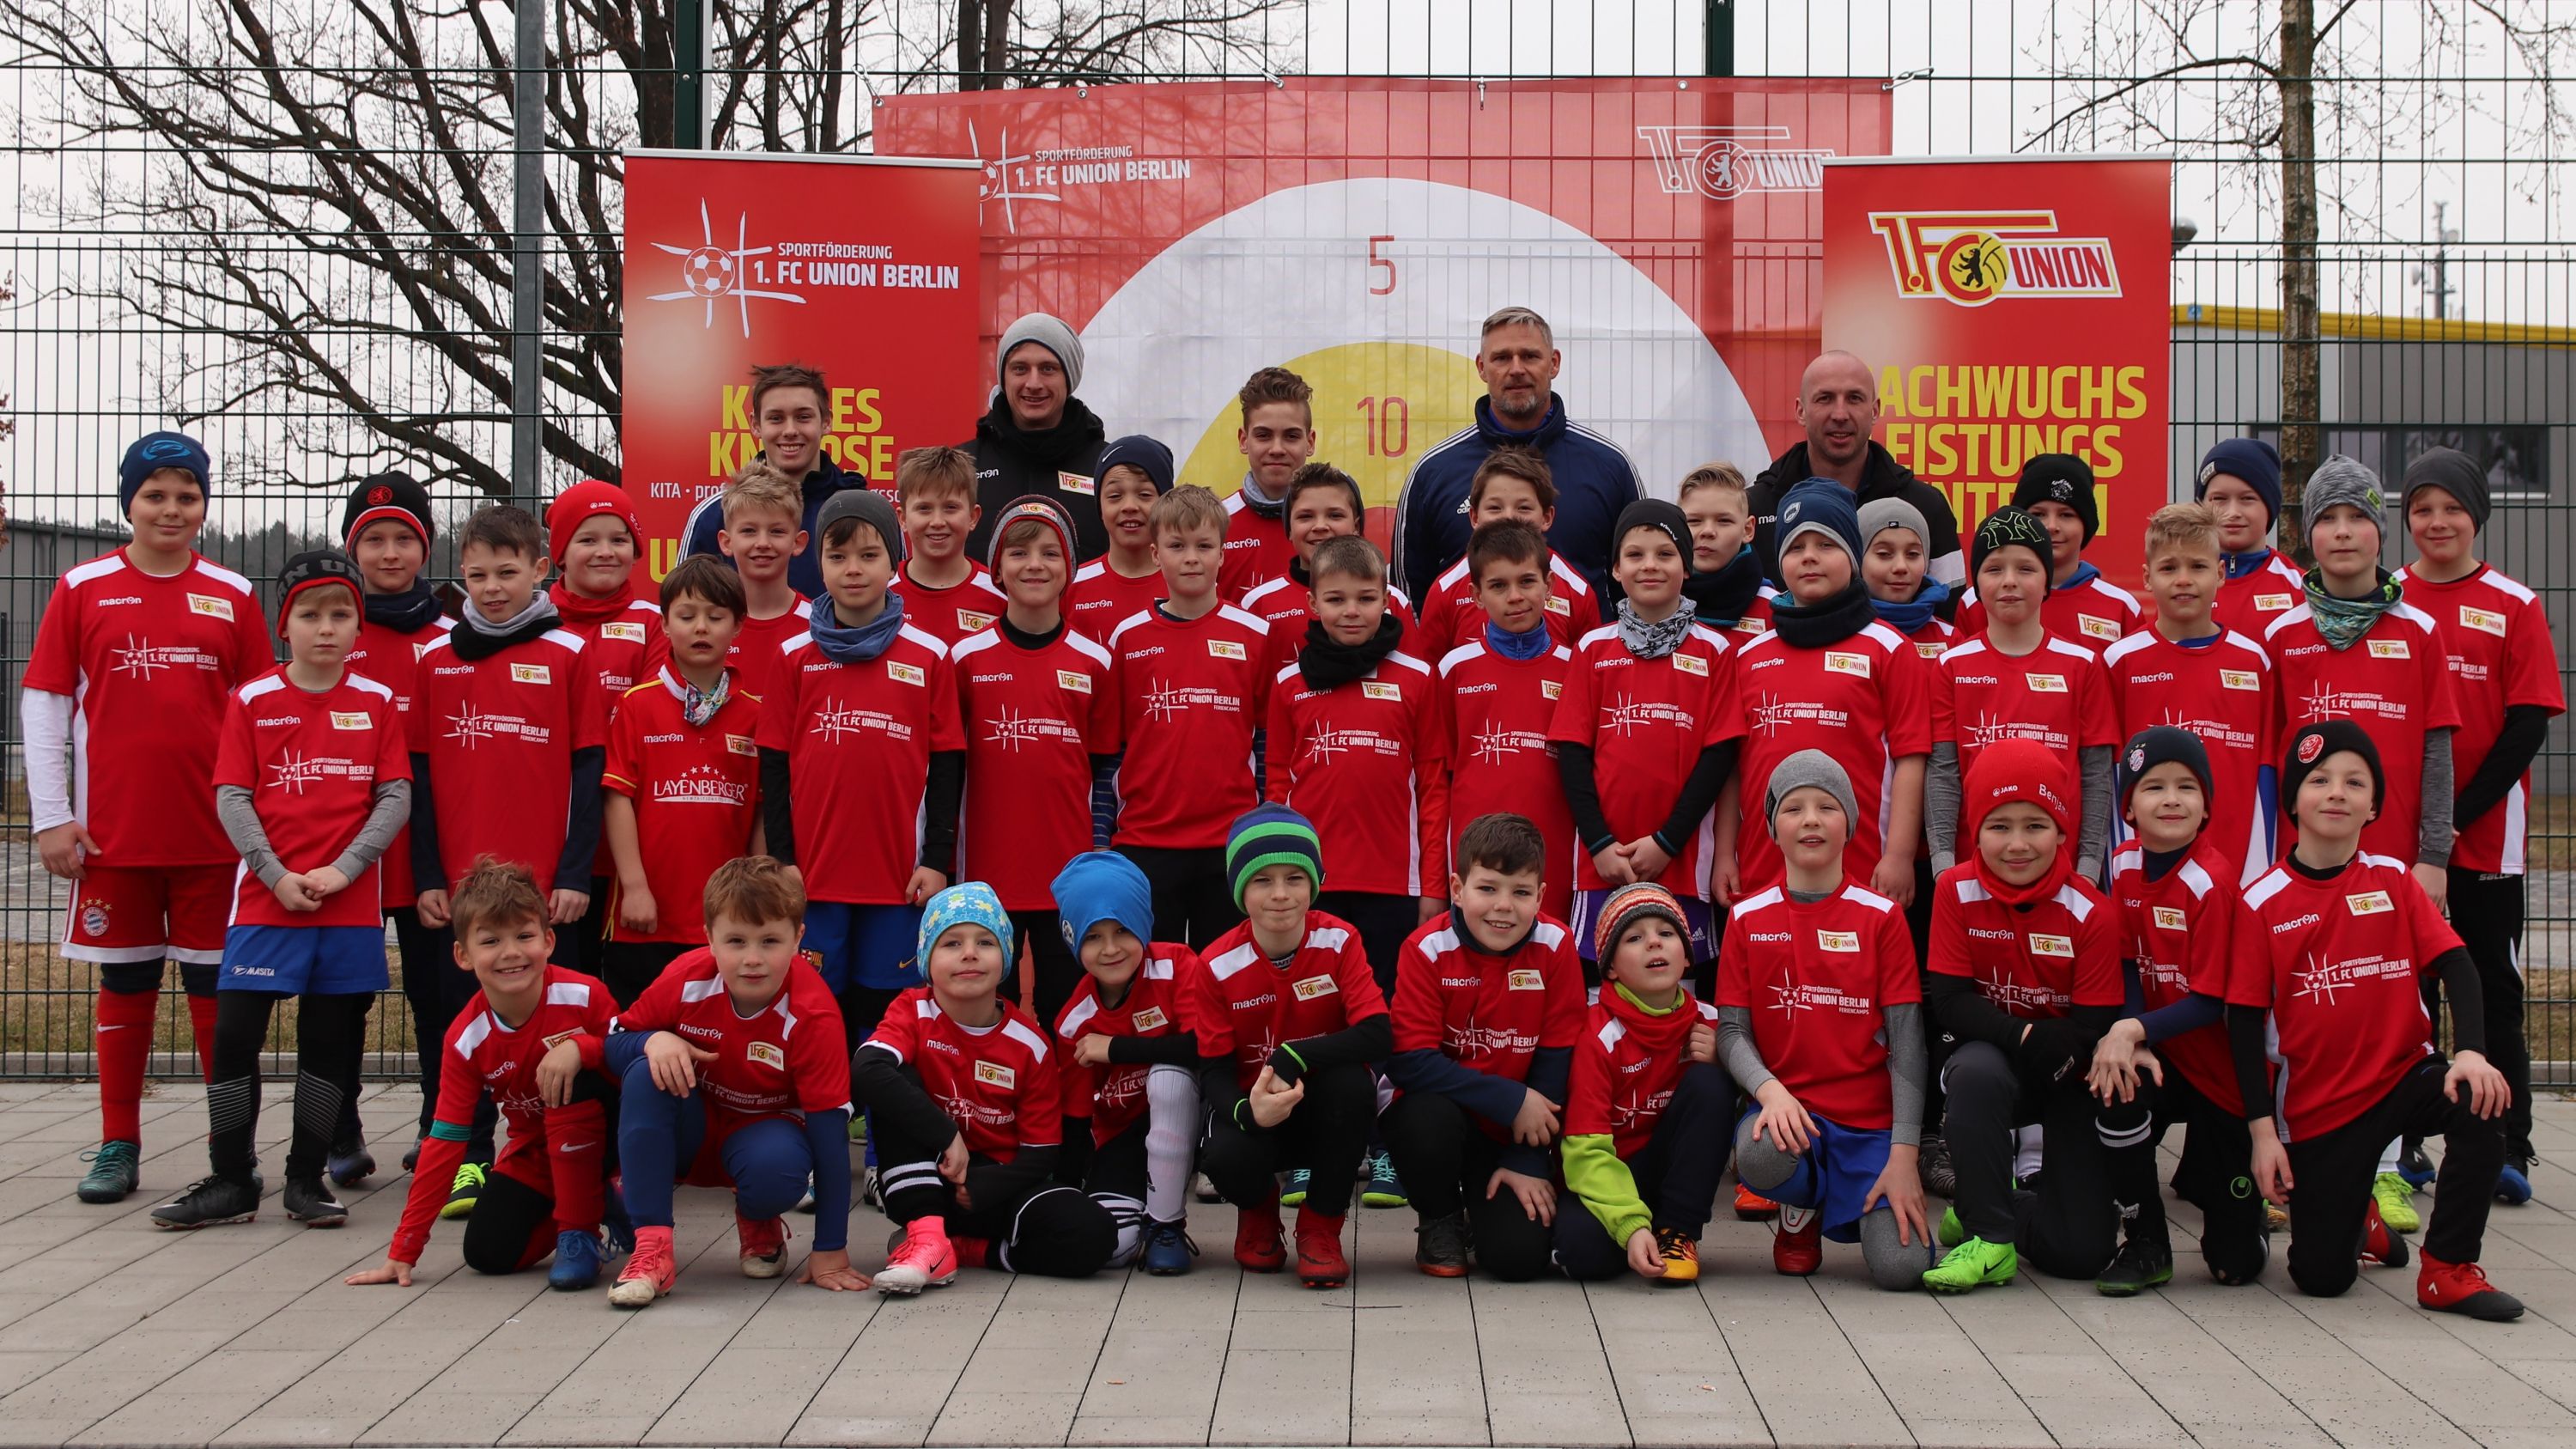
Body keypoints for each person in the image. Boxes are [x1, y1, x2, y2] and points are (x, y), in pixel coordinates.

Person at [29, 431, 270, 1205]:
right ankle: (117, 1143)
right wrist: (52, 816)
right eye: (155, 494)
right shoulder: (81, 587)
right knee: (126, 985)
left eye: (187, 495)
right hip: (112, 836)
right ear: (128, 502)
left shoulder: (232, 593)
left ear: (204, 504)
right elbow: (46, 703)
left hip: (215, 839)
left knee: (217, 999)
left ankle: (227, 1153)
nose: (171, 509)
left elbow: (267, 710)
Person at [149, 551, 409, 1232]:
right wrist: (276, 873)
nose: (327, 628)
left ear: (358, 626)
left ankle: (306, 1177)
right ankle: (233, 1177)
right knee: (235, 1037)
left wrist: (344, 870)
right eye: (310, 614)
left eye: (341, 614)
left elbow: (394, 796)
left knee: (330, 1046)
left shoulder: (378, 703)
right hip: (267, 903)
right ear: (283, 625)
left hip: (347, 908)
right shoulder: (253, 699)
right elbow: (233, 796)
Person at [2234, 722, 2522, 1319]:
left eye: (2355, 781)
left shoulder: (2392, 880)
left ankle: (2447, 1269)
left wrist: (2469, 1051)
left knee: (2482, 1096)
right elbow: (2242, 1021)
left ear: (2374, 805)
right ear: (2293, 800)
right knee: (2319, 1278)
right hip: (2322, 1108)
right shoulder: (2261, 901)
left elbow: (2459, 966)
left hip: (2403, 1077)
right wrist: (2263, 1134)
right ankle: (2360, 1219)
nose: (2337, 792)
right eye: (2320, 780)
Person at [2266, 456, 2462, 1238]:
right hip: (2304, 870)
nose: (2342, 532)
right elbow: (2264, 762)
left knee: (2393, 1012)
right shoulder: (2283, 634)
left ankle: (2387, 1173)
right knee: (2304, 1015)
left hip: (2391, 868)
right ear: (2308, 535)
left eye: (2357, 518)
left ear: (2379, 532)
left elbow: (2439, 752)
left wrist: (2434, 856)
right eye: (2326, 519)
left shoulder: (2419, 629)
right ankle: (2289, 1162)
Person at [409, 503, 609, 1216]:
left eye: (507, 572)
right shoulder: (433, 661)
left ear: (540, 571)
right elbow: (420, 780)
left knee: (561, 1029)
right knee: (452, 1025)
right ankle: (466, 1158)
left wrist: (575, 875)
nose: (492, 588)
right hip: (460, 891)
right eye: (477, 575)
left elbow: (591, 773)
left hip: (546, 891)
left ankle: (569, 1157)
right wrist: (428, 876)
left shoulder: (569, 654)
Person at [2395, 447, 2562, 1203]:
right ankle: (2407, 1147)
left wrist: (2456, 815)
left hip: (2487, 831)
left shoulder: (2514, 602)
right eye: (2422, 509)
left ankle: (2509, 1144)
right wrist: (2423, 822)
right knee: (2405, 990)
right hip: (2401, 834)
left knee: (2493, 985)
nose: (2436, 522)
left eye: (2451, 509)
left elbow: (2527, 721)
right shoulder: (2385, 596)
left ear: (2476, 517)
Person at [341, 860, 624, 1291]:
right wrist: (405, 1249)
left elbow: (631, 1059)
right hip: (540, 1149)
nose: (511, 952)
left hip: (614, 1138)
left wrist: (581, 1047)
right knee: (487, 1254)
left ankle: (579, 1233)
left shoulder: (584, 995)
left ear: (548, 941)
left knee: (575, 1073)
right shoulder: (465, 1038)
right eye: (491, 941)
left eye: (524, 936)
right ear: (463, 955)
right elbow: (445, 1142)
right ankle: (600, 1202)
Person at [605, 856, 866, 1306]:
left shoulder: (815, 1014)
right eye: (735, 941)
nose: (752, 959)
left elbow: (829, 1136)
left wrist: (830, 1251)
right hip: (691, 1127)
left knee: (778, 1169)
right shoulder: (686, 978)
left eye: (770, 941)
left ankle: (757, 1214)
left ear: (798, 938)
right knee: (647, 1071)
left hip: (760, 1135)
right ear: (708, 938)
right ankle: (652, 1249)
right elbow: (612, 1046)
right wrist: (653, 1041)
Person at [1716, 752, 1932, 1289]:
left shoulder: (1881, 918)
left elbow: (1908, 1045)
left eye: (1826, 807)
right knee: (1759, 1153)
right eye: (1793, 808)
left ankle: (1856, 1196)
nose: (1810, 819)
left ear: (1849, 825)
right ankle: (1802, 1210)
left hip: (1870, 1127)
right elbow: (1732, 1032)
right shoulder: (1746, 918)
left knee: (1903, 1270)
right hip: (1794, 1122)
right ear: (1772, 829)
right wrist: (1770, 1092)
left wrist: (1905, 1155)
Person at [1921, 737, 2122, 1293]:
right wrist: (2028, 1031)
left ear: (2062, 830)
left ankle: (1988, 1200)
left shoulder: (2092, 911)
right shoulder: (1954, 891)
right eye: (1998, 825)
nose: (2016, 844)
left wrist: (2044, 1039)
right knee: (1976, 1069)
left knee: (2081, 1254)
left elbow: (2091, 1030)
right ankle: (1990, 1238)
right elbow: (1952, 1002)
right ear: (1975, 830)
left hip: (2067, 1075)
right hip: (1998, 1059)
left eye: (2035, 824)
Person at [760, 488, 962, 1042]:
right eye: (838, 555)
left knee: (887, 1016)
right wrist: (782, 860)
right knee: (815, 1011)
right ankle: (824, 1120)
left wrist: (937, 859)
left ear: (894, 561)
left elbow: (947, 765)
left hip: (899, 880)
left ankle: (876, 1125)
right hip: (814, 880)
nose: (853, 570)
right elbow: (774, 766)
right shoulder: (793, 656)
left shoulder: (929, 655)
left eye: (869, 555)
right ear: (817, 562)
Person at [854, 882, 1120, 1291]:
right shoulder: (913, 1009)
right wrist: (947, 1136)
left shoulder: (1030, 1043)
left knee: (1095, 1234)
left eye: (985, 941)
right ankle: (926, 1237)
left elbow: (1042, 1151)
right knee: (893, 1074)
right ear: (927, 959)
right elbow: (867, 1068)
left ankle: (964, 1250)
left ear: (1005, 958)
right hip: (928, 1179)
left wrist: (985, 1186)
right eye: (951, 943)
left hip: (993, 1190)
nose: (969, 953)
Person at [2085, 728, 2267, 1295]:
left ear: (2207, 804)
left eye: (2187, 787)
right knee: (2115, 1084)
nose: (2171, 798)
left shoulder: (2210, 883)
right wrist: (2136, 1039)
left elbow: (2212, 1000)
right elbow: (2131, 963)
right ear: (2129, 807)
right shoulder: (2125, 864)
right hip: (2165, 1059)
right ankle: (2146, 1242)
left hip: (2223, 1081)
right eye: (2154, 786)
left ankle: (2248, 1215)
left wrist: (2133, 1026)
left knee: (2234, 1265)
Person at [1191, 806, 1391, 1288]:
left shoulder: (1340, 940)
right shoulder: (1216, 963)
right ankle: (1258, 1213)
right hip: (1258, 1113)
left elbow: (1378, 1032)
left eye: (1294, 878)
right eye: (1262, 880)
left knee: (1351, 1086)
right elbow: (1213, 1070)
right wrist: (1248, 1112)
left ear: (1314, 883)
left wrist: (1295, 1056)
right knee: (1223, 1155)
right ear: (1240, 889)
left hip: (1323, 1109)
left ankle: (1320, 1227)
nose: (1280, 895)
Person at [1380, 813, 1583, 1281]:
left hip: (1515, 1131)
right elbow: (1410, 1061)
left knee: (1515, 1261)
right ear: (1457, 888)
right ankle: (1439, 1218)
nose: (1503, 907)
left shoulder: (1556, 945)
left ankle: (1483, 1209)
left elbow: (1558, 1061)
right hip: (1447, 1116)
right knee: (1424, 1118)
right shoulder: (1425, 948)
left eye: (1521, 892)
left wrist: (1527, 1159)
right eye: (1487, 888)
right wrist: (1510, 1100)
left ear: (1541, 896)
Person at [1715, 480, 1930, 910]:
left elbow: (1911, 758)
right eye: (1796, 548)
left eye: (1827, 544)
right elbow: (1732, 767)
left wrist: (1901, 855)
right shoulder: (1749, 656)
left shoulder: (1888, 648)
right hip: (1762, 870)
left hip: (1865, 870)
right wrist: (1724, 853)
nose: (1809, 557)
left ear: (1853, 557)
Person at [1549, 501, 1744, 973]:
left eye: (1666, 553)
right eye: (1635, 555)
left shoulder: (1716, 651)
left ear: (1687, 565)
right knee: (1602, 988)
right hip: (1604, 866)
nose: (1650, 565)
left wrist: (1667, 842)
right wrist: (1598, 844)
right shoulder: (1592, 648)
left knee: (1682, 986)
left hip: (1681, 864)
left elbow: (1719, 757)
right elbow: (1572, 753)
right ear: (1616, 569)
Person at [951, 496, 1118, 1030]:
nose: (1035, 565)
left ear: (1070, 568)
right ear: (996, 568)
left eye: (1050, 553)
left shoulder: (1095, 662)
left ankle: (1065, 1116)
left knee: (1064, 1011)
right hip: (985, 879)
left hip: (1066, 877)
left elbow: (1105, 772)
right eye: (1018, 553)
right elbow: (948, 770)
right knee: (983, 1012)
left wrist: (1098, 853)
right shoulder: (965, 659)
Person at [337, 471, 459, 1186]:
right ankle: (339, 1127)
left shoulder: (456, 634)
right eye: (373, 539)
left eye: (403, 539)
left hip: (430, 847)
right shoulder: (329, 628)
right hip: (345, 848)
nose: (389, 553)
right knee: (344, 993)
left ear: (426, 547)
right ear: (353, 551)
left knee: (436, 991)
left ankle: (439, 1127)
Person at [1262, 533, 1448, 984]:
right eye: (1336, 599)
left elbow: (1433, 788)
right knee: (1317, 1001)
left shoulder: (1419, 679)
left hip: (1394, 886)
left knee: (1385, 1007)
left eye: (1366, 598)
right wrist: (1280, 877)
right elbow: (1276, 789)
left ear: (1386, 599)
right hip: (1311, 882)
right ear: (1312, 602)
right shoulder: (1289, 683)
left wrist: (1433, 887)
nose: (1351, 611)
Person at [1103, 485, 1273, 949]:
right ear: (1156, 554)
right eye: (1177, 547)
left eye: (1204, 546)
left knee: (1222, 973)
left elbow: (1266, 742)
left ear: (1223, 553)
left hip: (1228, 841)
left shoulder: (1255, 634)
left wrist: (1260, 819)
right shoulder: (1128, 638)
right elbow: (1110, 749)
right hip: (1144, 840)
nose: (1192, 558)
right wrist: (1103, 839)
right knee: (1152, 972)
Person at [600, 556, 766, 1008]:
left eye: (715, 617)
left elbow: (760, 810)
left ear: (737, 626)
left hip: (726, 920)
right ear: (665, 624)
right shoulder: (636, 706)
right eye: (687, 616)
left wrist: (759, 891)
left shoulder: (755, 713)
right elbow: (617, 798)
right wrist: (634, 887)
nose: (701, 628)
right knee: (639, 1038)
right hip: (647, 917)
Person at [1394, 306, 1642, 599]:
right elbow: (1407, 596)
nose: (1516, 369)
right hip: (1466, 646)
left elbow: (1637, 577)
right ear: (1482, 367)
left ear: (1554, 363)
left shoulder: (1610, 464)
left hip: (1582, 645)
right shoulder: (1434, 470)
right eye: (1501, 358)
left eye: (1530, 356)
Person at [1554, 881, 1733, 1283]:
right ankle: (1642, 1231)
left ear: (1687, 958)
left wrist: (1728, 1063)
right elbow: (1585, 1148)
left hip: (1668, 1176)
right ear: (1611, 968)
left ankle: (1678, 1232)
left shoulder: (1713, 1023)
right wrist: (1630, 1225)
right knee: (1584, 1257)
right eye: (1635, 938)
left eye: (1666, 934)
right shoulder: (1596, 1035)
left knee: (1710, 1083)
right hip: (1610, 1173)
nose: (1655, 944)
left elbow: (1745, 1108)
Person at [1927, 507, 2117, 884]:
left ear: (2047, 581)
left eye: (2026, 569)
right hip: (1971, 873)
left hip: (2063, 875)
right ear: (1976, 584)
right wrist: (1944, 867)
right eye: (1994, 569)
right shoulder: (1951, 666)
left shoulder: (2083, 665)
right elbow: (1943, 773)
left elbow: (2096, 774)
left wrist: (2089, 869)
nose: (2010, 581)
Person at [2101, 503, 2278, 885]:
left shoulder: (2254, 662)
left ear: (2219, 573)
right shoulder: (2120, 661)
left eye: (2197, 567)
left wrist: (2256, 874)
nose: (2183, 579)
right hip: (2145, 875)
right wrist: (2122, 869)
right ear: (2147, 577)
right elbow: (2112, 773)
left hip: (2236, 872)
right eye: (2169, 568)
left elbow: (2266, 775)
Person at [1048, 851, 1205, 1275]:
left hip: (1200, 1120)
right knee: (1113, 1251)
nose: (1111, 949)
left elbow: (1202, 1047)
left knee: (1168, 1080)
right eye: (1093, 936)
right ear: (1071, 940)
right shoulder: (1072, 1022)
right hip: (1127, 1137)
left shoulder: (1177, 965)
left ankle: (1165, 1224)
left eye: (1122, 930)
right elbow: (1077, 1119)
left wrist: (1116, 1048)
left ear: (1144, 926)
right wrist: (1064, 1195)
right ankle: (1140, 1215)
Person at [1431, 521, 1580, 926]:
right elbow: (1437, 780)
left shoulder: (1578, 669)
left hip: (1556, 859)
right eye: (1498, 586)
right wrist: (1435, 882)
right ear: (1475, 595)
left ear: (1549, 586)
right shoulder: (1453, 670)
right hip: (1474, 863)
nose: (1515, 597)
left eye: (1527, 581)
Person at [545, 480, 665, 973]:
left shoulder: (654, 622)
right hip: (555, 840)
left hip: (628, 844)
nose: (604, 551)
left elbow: (651, 723)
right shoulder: (534, 620)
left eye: (618, 539)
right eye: (587, 538)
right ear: (559, 553)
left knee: (621, 986)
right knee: (559, 981)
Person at [1747, 351, 1962, 591]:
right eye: (1825, 398)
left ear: (1875, 410)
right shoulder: (1755, 508)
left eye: (1854, 398)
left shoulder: (1927, 507)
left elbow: (1951, 616)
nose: (1840, 414)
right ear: (1801, 411)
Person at [681, 362, 869, 600]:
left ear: (826, 422)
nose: (790, 430)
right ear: (756, 425)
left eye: (803, 417)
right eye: (776, 418)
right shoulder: (714, 514)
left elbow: (893, 597)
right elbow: (686, 608)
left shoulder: (862, 508)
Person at [1413, 447, 1601, 653]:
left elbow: (1590, 672)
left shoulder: (1578, 591)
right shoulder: (1445, 591)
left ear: (1547, 517)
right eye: (1495, 508)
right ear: (1474, 517)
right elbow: (1430, 675)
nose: (1509, 517)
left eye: (1523, 508)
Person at [1955, 455, 2144, 658]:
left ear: (2086, 525)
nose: (2051, 526)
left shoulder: (2121, 606)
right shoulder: (1978, 599)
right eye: (2038, 514)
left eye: (2066, 515)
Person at [1242, 463, 1423, 667]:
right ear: (1289, 528)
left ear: (1356, 526)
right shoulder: (1259, 603)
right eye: (1306, 516)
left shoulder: (1393, 600)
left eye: (1335, 515)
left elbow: (1414, 677)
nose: (1320, 526)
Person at [962, 313, 1109, 560]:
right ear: (1003, 377)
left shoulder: (1106, 468)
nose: (1033, 383)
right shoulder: (964, 465)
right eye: (1020, 368)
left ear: (1069, 378)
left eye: (1048, 369)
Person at [889, 443, 1009, 648]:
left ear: (973, 516)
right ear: (903, 518)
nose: (937, 521)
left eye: (950, 508)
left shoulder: (1002, 597)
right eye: (924, 508)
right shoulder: (880, 594)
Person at [709, 462, 811, 701]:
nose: (763, 543)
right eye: (748, 531)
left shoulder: (818, 625)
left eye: (776, 531)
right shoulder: (706, 625)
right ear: (726, 542)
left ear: (798, 542)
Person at [1218, 367, 1318, 604]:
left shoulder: (1334, 525)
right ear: (1244, 440)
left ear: (1310, 442)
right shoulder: (1215, 523)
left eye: (1291, 436)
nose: (1277, 449)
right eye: (1263, 435)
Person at [2193, 438, 2305, 642]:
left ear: (2270, 507)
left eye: (2247, 499)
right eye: (2219, 499)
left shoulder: (2300, 589)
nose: (2233, 512)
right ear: (2201, 506)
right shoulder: (2180, 582)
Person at [1067, 435, 1174, 641]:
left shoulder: (1189, 580)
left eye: (1144, 494)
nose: (1129, 506)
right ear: (1100, 506)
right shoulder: (1071, 586)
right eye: (1115, 496)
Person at [1680, 462, 1774, 648]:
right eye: (1694, 521)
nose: (1707, 531)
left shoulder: (1774, 609)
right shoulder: (1658, 603)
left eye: (1724, 521)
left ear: (1748, 530)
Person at [1857, 496, 1956, 663]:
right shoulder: (1836, 633)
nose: (1901, 567)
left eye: (1913, 554)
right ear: (1858, 559)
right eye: (1884, 554)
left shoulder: (1950, 640)